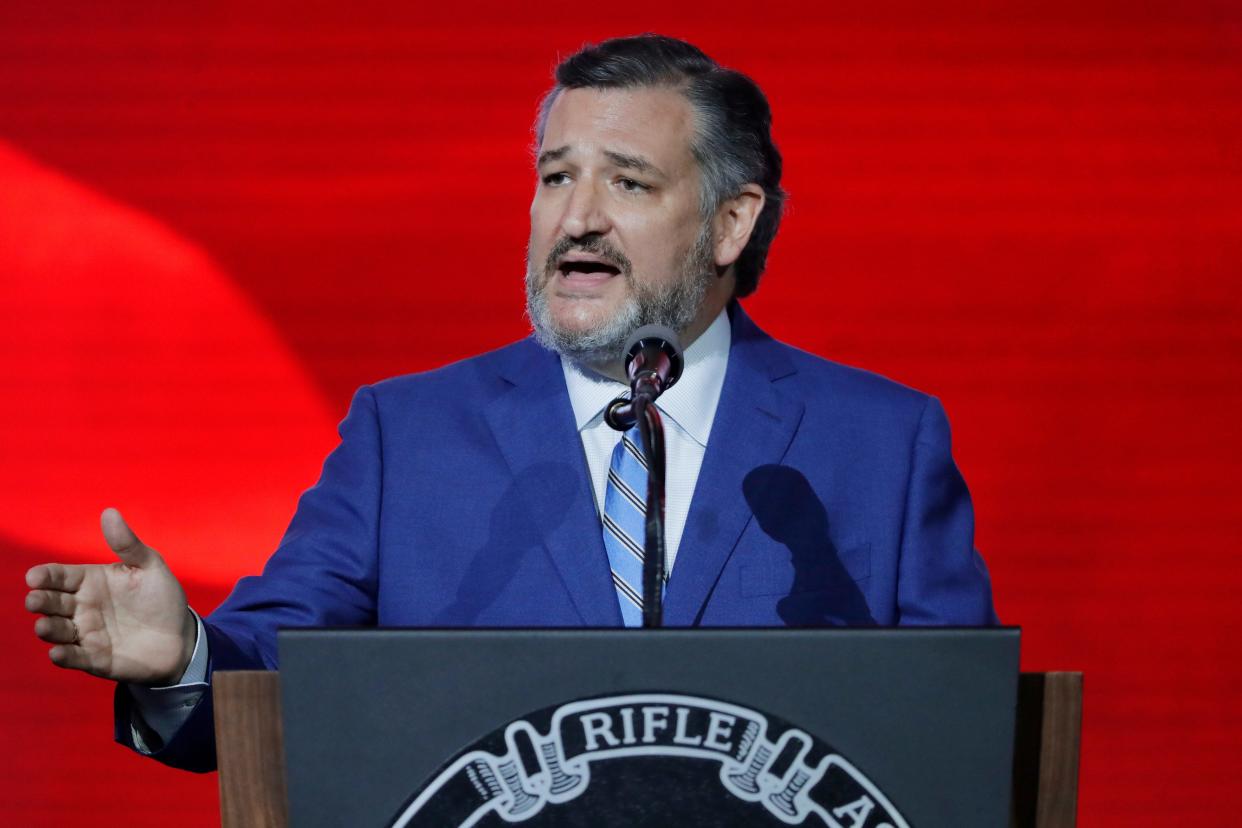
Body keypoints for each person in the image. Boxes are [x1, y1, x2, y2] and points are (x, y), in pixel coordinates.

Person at [24, 34, 998, 773]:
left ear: (731, 221)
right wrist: (184, 654)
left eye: (628, 182)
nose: (576, 216)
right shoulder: (407, 436)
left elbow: (958, 739)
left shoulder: (881, 440)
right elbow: (285, 666)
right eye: (555, 177)